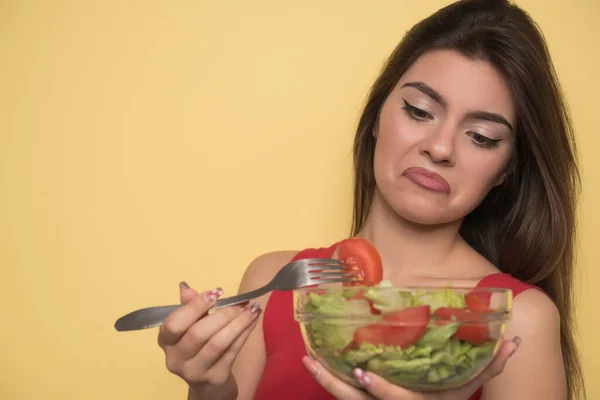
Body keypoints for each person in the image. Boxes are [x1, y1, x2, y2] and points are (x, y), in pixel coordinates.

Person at [156, 0, 586, 399]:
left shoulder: (517, 319)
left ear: (505, 171)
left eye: (481, 136)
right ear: (378, 115)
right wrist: (207, 386)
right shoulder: (275, 281)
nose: (440, 148)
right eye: (418, 111)